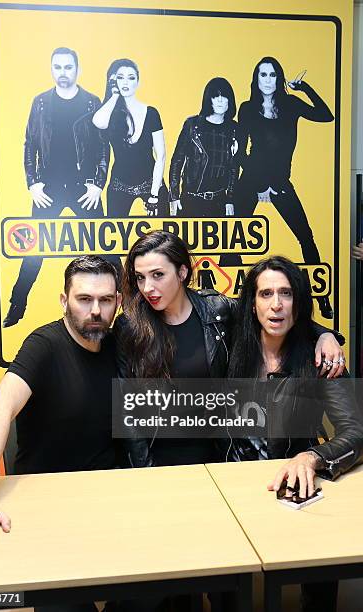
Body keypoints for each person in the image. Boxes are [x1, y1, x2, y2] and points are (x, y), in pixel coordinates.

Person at [115, 230, 345, 469]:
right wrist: (144, 469)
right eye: (140, 278)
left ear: (182, 272)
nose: (148, 287)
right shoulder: (130, 326)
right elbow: (127, 408)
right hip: (157, 458)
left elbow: (271, 315)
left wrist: (325, 335)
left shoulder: (217, 311)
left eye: (158, 275)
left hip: (217, 457)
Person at [0, 255, 121, 553]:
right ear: (64, 300)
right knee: (65, 598)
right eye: (84, 299)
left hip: (106, 497)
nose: (95, 311)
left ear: (118, 301)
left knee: (148, 593)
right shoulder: (44, 345)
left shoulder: (118, 344)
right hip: (46, 500)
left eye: (105, 300)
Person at [227, 255, 363, 612]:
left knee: (322, 560)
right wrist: (328, 332)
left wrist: (312, 457)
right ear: (251, 302)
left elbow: (356, 432)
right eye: (266, 293)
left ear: (299, 302)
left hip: (296, 485)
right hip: (232, 482)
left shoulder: (322, 359)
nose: (276, 304)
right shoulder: (227, 343)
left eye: (286, 294)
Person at [3, 47, 109, 327]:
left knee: (105, 247)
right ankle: (17, 305)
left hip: (83, 188)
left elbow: (102, 147)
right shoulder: (40, 103)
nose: (63, 73)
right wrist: (33, 183)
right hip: (48, 188)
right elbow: (30, 145)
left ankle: (131, 303)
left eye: (68, 67)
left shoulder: (91, 102)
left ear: (77, 70)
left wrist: (98, 184)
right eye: (58, 67)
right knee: (34, 251)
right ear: (52, 69)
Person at [236, 57, 334, 319]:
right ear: (256, 80)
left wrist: (304, 88)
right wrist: (259, 185)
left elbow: (326, 115)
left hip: (280, 182)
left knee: (306, 237)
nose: (268, 80)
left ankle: (322, 299)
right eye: (263, 75)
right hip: (251, 182)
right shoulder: (247, 108)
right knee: (233, 240)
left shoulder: (290, 104)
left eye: (272, 75)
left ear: (279, 79)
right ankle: (225, 304)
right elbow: (240, 153)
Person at [92, 58, 168, 218]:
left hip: (151, 184)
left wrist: (154, 195)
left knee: (164, 235)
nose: (125, 82)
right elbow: (98, 122)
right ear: (114, 81)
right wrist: (114, 95)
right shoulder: (110, 113)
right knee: (116, 235)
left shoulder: (151, 113)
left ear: (138, 82)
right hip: (120, 186)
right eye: (120, 77)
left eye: (131, 77)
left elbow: (160, 156)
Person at [169, 77, 239, 219]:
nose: (220, 100)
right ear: (209, 99)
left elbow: (233, 167)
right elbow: (177, 161)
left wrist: (230, 199)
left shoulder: (233, 129)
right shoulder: (192, 125)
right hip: (191, 200)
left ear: (229, 101)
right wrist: (174, 196)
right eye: (215, 96)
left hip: (219, 202)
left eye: (224, 96)